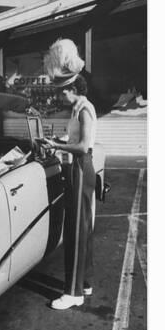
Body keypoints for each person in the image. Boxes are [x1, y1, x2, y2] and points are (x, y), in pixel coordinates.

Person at [43, 39, 97, 310]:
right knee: (82, 227)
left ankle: (73, 293)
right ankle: (83, 283)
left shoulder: (84, 109)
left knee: (75, 229)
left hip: (79, 166)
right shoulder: (79, 108)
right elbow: (78, 139)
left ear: (74, 89)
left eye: (63, 92)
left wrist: (57, 145)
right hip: (81, 167)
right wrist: (63, 138)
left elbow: (84, 146)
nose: (60, 96)